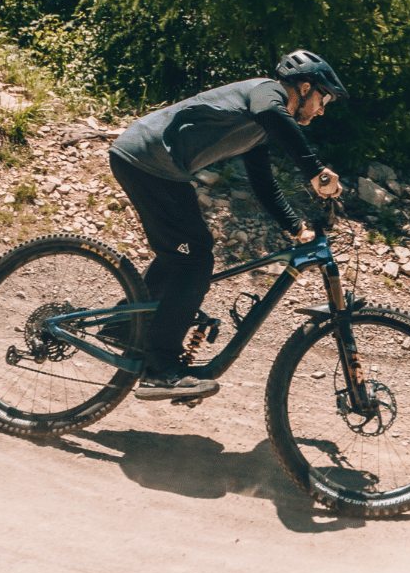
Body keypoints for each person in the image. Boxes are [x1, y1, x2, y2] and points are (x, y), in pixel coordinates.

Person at [107, 51, 347, 401]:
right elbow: (272, 113)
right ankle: (161, 371)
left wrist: (295, 227)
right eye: (322, 99)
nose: (322, 109)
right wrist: (315, 171)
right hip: (149, 161)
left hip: (153, 165)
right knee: (195, 258)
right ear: (305, 86)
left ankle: (123, 326)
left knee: (182, 252)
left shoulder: (261, 127)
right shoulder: (267, 93)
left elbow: (263, 184)